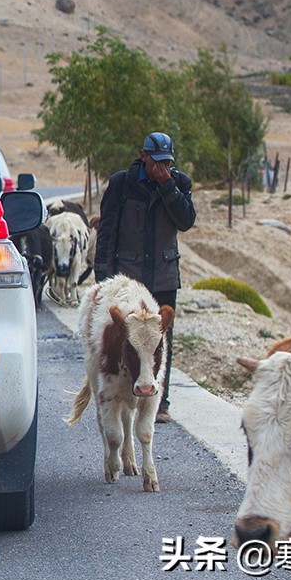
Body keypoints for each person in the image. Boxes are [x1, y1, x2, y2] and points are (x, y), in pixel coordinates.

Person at [93, 132, 197, 424]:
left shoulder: (180, 184)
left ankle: (159, 401)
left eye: (167, 162)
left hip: (163, 277)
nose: (161, 167)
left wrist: (168, 188)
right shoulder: (121, 184)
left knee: (161, 340)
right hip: (130, 278)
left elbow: (186, 220)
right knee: (125, 339)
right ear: (144, 156)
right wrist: (103, 277)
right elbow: (108, 231)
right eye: (157, 162)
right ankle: (121, 391)